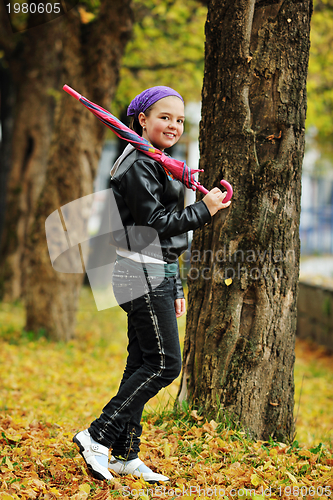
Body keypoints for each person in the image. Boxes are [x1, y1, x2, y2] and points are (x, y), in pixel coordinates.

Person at [73, 86, 231, 483]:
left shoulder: (158, 162)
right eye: (165, 117)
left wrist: (175, 284)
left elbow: (162, 239)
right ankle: (97, 435)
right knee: (164, 364)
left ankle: (125, 455)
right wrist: (205, 210)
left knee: (140, 362)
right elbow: (156, 225)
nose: (174, 125)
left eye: (179, 119)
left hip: (152, 269)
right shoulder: (139, 164)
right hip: (140, 271)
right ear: (141, 120)